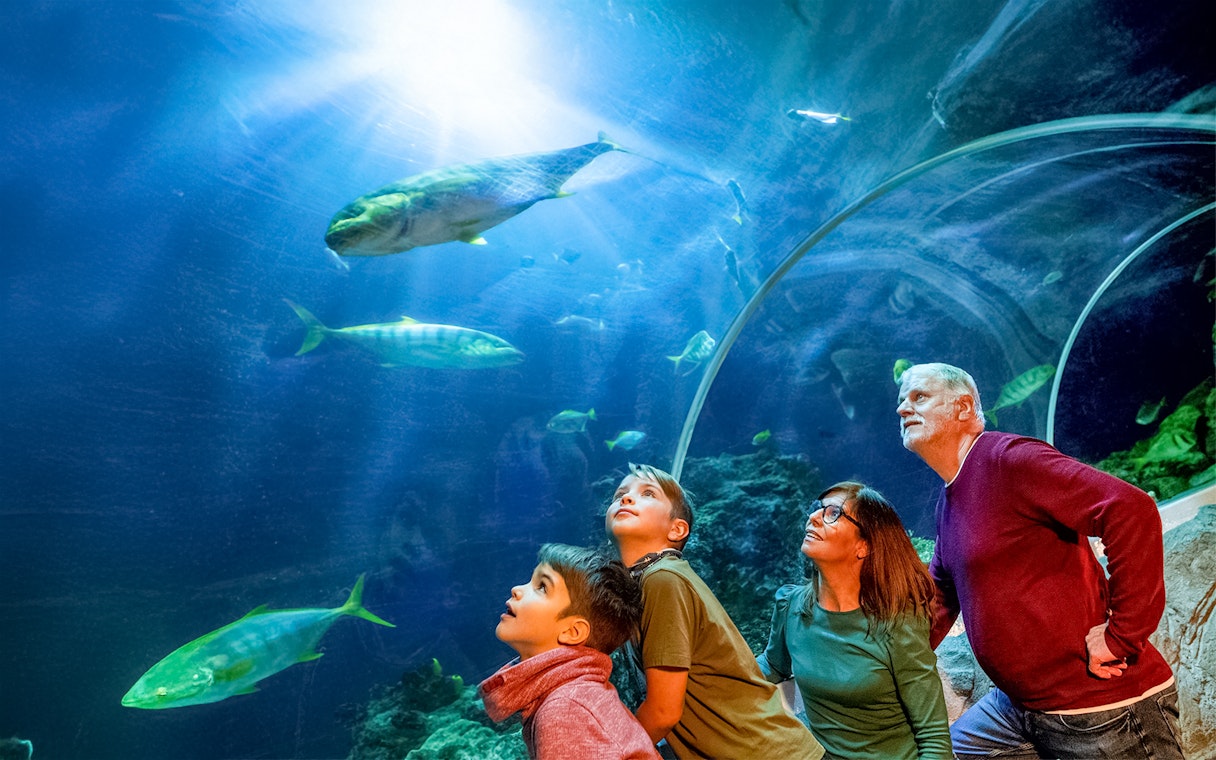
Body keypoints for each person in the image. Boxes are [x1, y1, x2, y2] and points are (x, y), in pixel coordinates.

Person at [896, 362, 1182, 759]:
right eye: (901, 400)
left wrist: (1122, 636)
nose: (902, 409)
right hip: (1018, 708)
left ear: (963, 407)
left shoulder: (1009, 459)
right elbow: (941, 597)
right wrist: (882, 661)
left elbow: (1130, 510)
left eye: (919, 397)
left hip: (1100, 708)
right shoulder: (950, 496)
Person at [606, 462, 824, 759]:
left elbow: (663, 711)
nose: (626, 498)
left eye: (647, 493)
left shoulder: (662, 580)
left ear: (677, 528)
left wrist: (608, 753)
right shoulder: (655, 579)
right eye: (620, 493)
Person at [758, 481, 953, 759]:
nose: (813, 517)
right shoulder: (791, 606)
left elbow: (934, 740)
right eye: (817, 510)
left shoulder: (896, 623)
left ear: (864, 546)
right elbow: (772, 665)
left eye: (833, 513)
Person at [478, 543, 660, 760]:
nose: (517, 589)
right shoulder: (576, 695)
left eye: (542, 586)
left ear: (573, 631)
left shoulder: (566, 710)